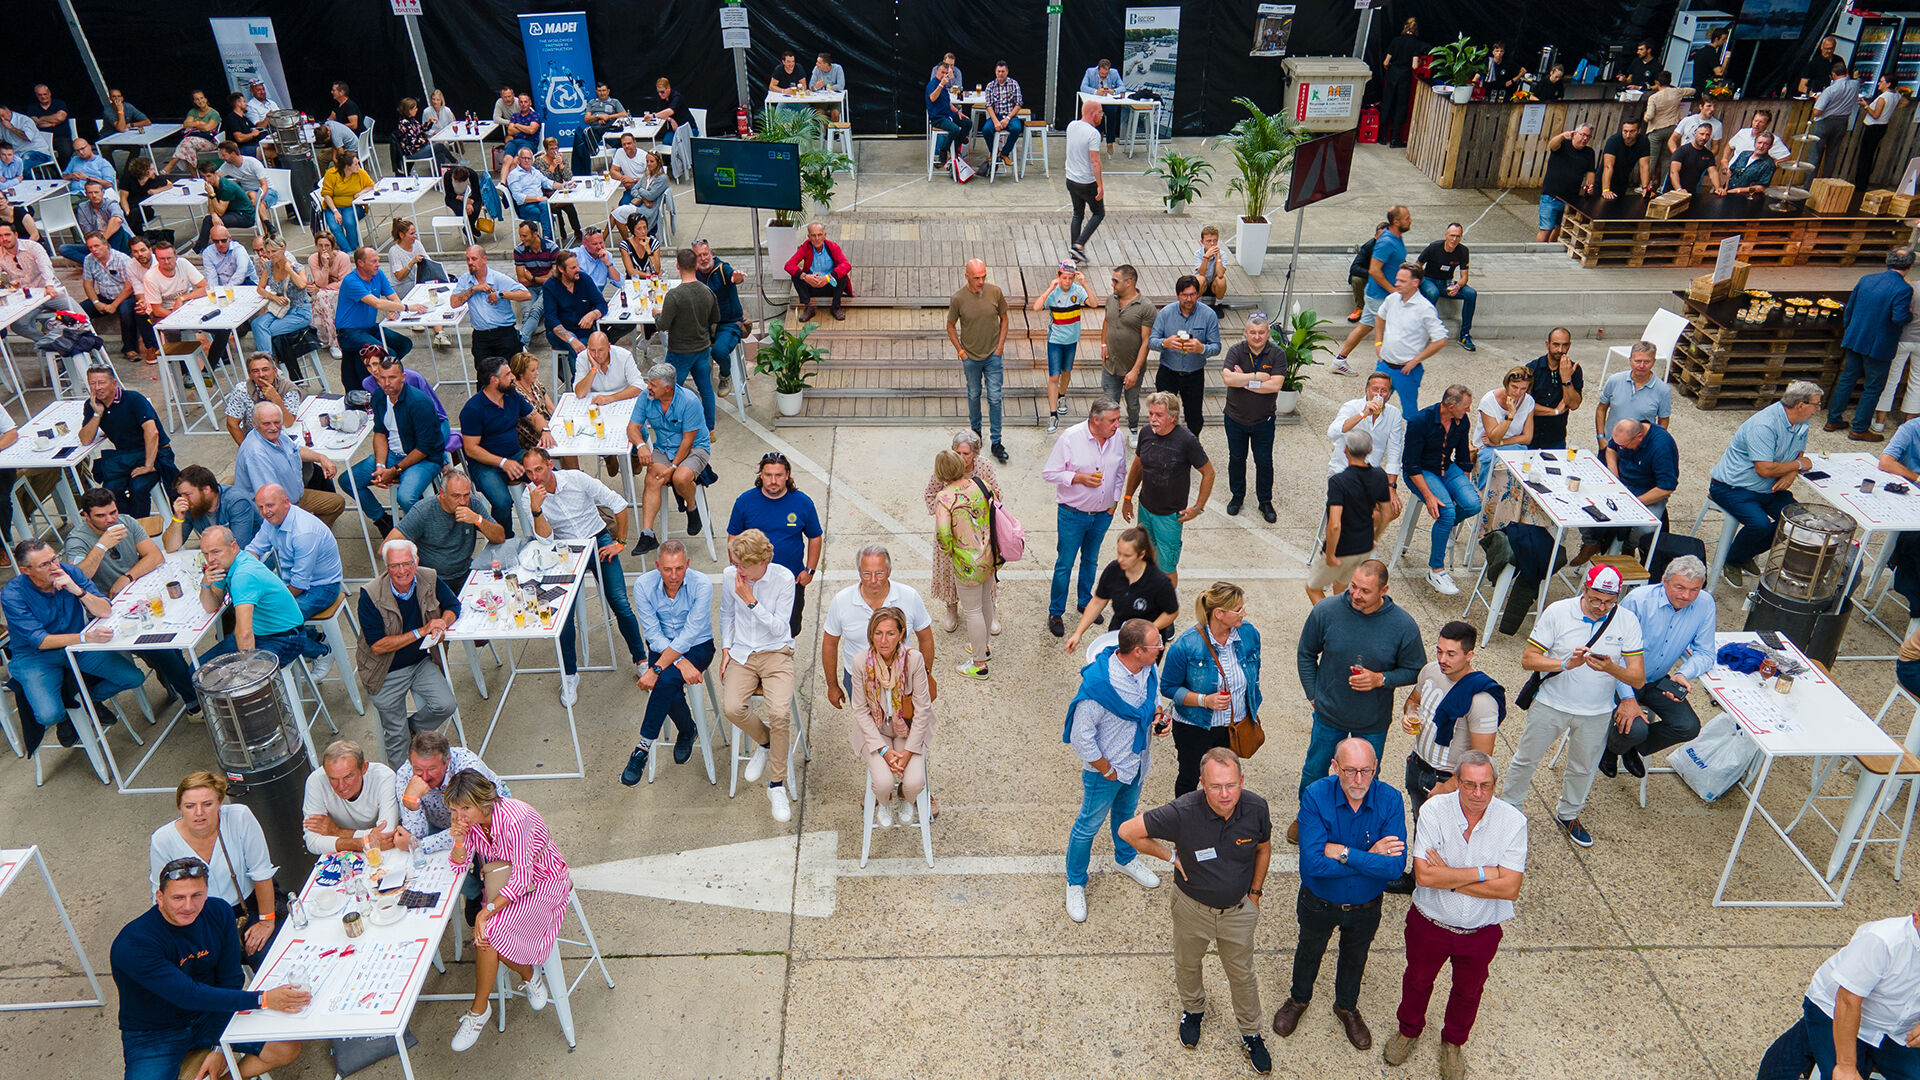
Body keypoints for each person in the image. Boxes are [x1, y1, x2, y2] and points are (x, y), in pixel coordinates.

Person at [1117, 747, 1273, 1073]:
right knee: (1187, 964)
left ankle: (1251, 1032)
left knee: (1243, 975)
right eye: (1216, 786)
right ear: (1202, 783)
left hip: (1238, 913)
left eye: (1231, 785)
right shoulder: (1182, 811)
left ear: (1242, 780)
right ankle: (1193, 1010)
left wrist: (1255, 895)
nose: (1225, 794)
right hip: (1191, 909)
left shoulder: (1256, 808)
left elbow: (1263, 848)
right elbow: (1127, 831)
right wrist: (1170, 857)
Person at [1385, 751, 1527, 1080]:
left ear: (1495, 785)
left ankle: (1453, 1042)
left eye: (1485, 785)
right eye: (1470, 784)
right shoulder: (1434, 810)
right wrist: (1486, 872)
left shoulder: (1513, 822)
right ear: (1457, 782)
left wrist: (1449, 876)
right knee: (1417, 981)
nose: (1478, 793)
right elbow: (1425, 876)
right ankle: (1408, 1030)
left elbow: (1510, 888)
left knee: (1469, 991)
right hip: (1429, 923)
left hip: (1481, 931)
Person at [111, 856, 306, 1080]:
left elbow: (231, 980)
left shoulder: (219, 912)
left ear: (206, 892)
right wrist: (263, 999)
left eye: (196, 895)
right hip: (155, 1033)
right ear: (160, 897)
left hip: (211, 1013)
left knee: (285, 1047)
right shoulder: (133, 944)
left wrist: (220, 1047)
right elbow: (187, 994)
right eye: (178, 898)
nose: (188, 906)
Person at [1499, 564, 1646, 848]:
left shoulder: (1627, 621)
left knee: (1583, 767)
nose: (1601, 607)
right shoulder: (1558, 612)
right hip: (1551, 703)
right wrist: (1564, 663)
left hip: (1597, 711)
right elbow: (1528, 659)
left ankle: (1569, 813)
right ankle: (1509, 809)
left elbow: (1637, 678)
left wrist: (1612, 668)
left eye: (1608, 602)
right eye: (1595, 599)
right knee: (1526, 759)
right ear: (1584, 589)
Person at [1275, 738, 1405, 1052]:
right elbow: (1313, 864)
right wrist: (1371, 857)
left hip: (1366, 906)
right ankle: (1299, 998)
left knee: (1355, 958)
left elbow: (1394, 868)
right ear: (1335, 767)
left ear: (1376, 768)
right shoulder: (1316, 795)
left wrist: (1345, 853)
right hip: (1319, 901)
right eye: (1350, 771)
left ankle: (1346, 1006)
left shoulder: (1390, 799)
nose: (1358, 780)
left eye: (1366, 771)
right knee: (1309, 950)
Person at [445, 771, 573, 1053]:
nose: (459, 816)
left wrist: (486, 911)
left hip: (543, 880)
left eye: (465, 808)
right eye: (454, 810)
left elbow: (523, 878)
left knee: (487, 931)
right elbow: (458, 867)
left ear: (483, 802)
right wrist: (459, 841)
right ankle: (528, 976)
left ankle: (479, 1011)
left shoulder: (515, 818)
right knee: (487, 934)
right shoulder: (471, 823)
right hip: (503, 885)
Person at [1294, 559, 1423, 838]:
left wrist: (1381, 679)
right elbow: (1306, 653)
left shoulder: (1402, 625)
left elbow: (1416, 669)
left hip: (1372, 721)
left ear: (1383, 590)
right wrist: (1313, 695)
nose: (1355, 594)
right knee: (1315, 771)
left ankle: (1359, 827)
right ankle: (1306, 820)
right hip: (1329, 715)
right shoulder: (1326, 611)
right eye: (1353, 586)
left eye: (1365, 590)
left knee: (1365, 778)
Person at [518, 446, 647, 702]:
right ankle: (569, 674)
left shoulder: (576, 478)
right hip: (564, 550)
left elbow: (618, 503)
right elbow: (546, 540)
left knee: (620, 602)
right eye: (529, 472)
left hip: (598, 539)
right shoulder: (528, 497)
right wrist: (536, 510)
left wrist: (620, 542)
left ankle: (642, 660)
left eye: (539, 469)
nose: (535, 477)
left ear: (550, 465)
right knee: (562, 614)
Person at [1063, 618, 1167, 922]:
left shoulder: (1149, 669)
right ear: (1137, 651)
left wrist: (1158, 718)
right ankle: (1075, 881)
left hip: (1137, 764)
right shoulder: (1098, 687)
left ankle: (1125, 858)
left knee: (1126, 815)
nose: (1161, 648)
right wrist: (1106, 769)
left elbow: (1154, 699)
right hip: (1106, 773)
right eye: (1156, 645)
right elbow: (1082, 737)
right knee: (1087, 826)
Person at [1, 538, 146, 749]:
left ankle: (89, 700)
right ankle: (66, 717)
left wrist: (77, 590)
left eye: (54, 559)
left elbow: (105, 610)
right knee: (49, 715)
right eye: (44, 564)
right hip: (35, 656)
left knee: (133, 677)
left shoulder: (70, 572)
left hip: (77, 647)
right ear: (25, 570)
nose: (54, 567)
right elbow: (40, 641)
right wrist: (86, 638)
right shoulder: (13, 594)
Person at [1595, 557, 1715, 782]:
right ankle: (1617, 746)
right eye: (1680, 587)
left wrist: (1683, 674)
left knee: (1688, 727)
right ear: (1664, 581)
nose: (1687, 596)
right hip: (1620, 678)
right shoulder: (1638, 601)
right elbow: (1613, 653)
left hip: (1657, 679)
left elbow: (1706, 652)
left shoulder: (1705, 603)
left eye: (1694, 589)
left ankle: (1622, 746)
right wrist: (1628, 699)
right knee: (1636, 729)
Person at [148, 772, 279, 966]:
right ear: (179, 808)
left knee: (270, 959)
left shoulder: (239, 817)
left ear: (220, 803)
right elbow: (160, 895)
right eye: (190, 806)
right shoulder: (162, 840)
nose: (199, 812)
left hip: (248, 906)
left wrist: (266, 921)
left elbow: (261, 872)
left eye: (207, 804)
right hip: (198, 918)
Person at [353, 538, 460, 768]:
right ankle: (400, 781)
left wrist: (442, 622)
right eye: (394, 566)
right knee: (396, 737)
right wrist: (421, 631)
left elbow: (453, 606)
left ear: (416, 561)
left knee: (446, 705)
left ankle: (412, 728)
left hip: (420, 662)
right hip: (385, 671)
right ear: (386, 567)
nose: (402, 571)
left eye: (407, 563)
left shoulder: (428, 577)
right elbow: (377, 646)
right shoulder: (370, 595)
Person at [720, 529, 801, 821]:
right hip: (742, 652)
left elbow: (780, 628)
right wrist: (726, 649)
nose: (738, 571)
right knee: (732, 708)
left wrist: (751, 601)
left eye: (743, 566)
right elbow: (726, 613)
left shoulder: (784, 578)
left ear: (761, 562)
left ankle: (776, 785)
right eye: (736, 564)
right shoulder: (731, 575)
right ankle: (767, 742)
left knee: (780, 713)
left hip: (776, 652)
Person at [1710, 382, 1823, 586]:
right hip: (1732, 487)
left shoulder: (1802, 422)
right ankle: (1733, 561)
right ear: (1800, 405)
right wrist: (1798, 465)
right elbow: (1764, 469)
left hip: (1767, 488)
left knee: (1797, 521)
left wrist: (1792, 472)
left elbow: (1799, 453)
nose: (1818, 409)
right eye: (1816, 404)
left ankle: (1745, 553)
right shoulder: (1764, 425)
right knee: (1760, 525)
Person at [622, 540, 715, 782]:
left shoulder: (702, 584)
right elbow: (653, 634)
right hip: (661, 645)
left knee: (664, 681)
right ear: (657, 566)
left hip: (698, 645)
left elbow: (691, 633)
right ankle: (687, 729)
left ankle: (643, 747)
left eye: (679, 568)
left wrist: (657, 669)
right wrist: (679, 662)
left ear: (688, 564)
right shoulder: (644, 585)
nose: (674, 576)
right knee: (669, 683)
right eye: (667, 569)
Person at [1158, 581, 1261, 796]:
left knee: (1224, 778)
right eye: (1238, 610)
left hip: (1233, 726)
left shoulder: (1249, 634)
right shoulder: (1186, 645)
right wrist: (1204, 700)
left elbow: (1254, 676)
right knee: (1189, 778)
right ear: (1219, 614)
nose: (1244, 613)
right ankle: (1186, 816)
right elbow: (1168, 687)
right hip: (1195, 727)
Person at [1400, 622, 1504, 824]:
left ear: (1469, 655)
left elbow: (1481, 758)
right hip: (1416, 766)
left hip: (1447, 779)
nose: (1442, 659)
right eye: (1439, 651)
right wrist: (1410, 714)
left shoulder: (1482, 700)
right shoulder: (1430, 671)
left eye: (1451, 654)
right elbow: (1413, 700)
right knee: (1420, 825)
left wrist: (1449, 786)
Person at [849, 605, 939, 825]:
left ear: (901, 634)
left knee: (914, 783)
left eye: (890, 633)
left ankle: (906, 799)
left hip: (907, 729)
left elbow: (923, 708)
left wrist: (908, 752)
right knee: (883, 784)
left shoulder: (914, 660)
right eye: (878, 633)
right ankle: (884, 802)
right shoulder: (861, 662)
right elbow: (860, 710)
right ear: (871, 635)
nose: (883, 640)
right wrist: (883, 750)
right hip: (876, 731)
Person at [1044, 398, 1126, 637]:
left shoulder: (1117, 438)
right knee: (1065, 564)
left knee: (1091, 560)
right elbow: (1049, 473)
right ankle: (1056, 612)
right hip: (1072, 515)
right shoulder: (1070, 438)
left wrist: (1114, 502)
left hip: (1102, 515)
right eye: (1112, 420)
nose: (1117, 425)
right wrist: (1078, 478)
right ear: (1096, 420)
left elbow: (1120, 472)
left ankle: (1085, 602)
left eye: (1118, 420)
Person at [198, 524, 329, 666]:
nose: (210, 559)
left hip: (284, 638)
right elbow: (211, 607)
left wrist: (247, 669)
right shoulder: (223, 565)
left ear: (233, 547)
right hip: (263, 631)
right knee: (199, 669)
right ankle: (318, 644)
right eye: (206, 554)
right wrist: (205, 584)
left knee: (216, 674)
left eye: (216, 552)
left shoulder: (243, 576)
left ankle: (323, 652)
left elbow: (245, 633)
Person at [821, 546, 935, 706]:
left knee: (906, 719)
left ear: (889, 572)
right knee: (864, 720)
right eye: (867, 574)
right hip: (859, 680)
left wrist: (925, 675)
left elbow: (926, 639)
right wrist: (832, 686)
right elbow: (830, 644)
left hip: (902, 676)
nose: (873, 580)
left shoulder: (910, 597)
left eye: (879, 573)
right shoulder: (841, 601)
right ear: (859, 573)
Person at [348, 354, 446, 536]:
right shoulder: (379, 396)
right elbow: (379, 432)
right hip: (393, 454)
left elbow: (424, 448)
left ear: (403, 377)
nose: (387, 383)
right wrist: (380, 465)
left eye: (392, 377)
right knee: (348, 481)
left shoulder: (419, 402)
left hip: (424, 459)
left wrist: (395, 471)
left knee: (406, 497)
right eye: (382, 378)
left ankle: (427, 535)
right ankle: (382, 520)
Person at [727, 452, 823, 637]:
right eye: (768, 475)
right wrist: (736, 568)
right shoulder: (744, 502)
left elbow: (815, 536)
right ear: (761, 475)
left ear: (787, 475)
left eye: (778, 475)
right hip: (753, 580)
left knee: (789, 629)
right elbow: (733, 536)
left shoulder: (803, 503)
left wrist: (809, 571)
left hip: (791, 580)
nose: (773, 481)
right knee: (753, 628)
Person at [1123, 392, 1213, 584]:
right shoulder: (1146, 433)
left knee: (1167, 568)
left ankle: (1167, 602)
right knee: (1145, 559)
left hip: (1170, 517)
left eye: (1159, 415)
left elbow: (1209, 473)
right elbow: (1137, 466)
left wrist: (1198, 508)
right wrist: (1128, 498)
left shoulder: (1187, 441)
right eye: (1151, 414)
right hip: (1145, 510)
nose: (1153, 419)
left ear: (1172, 417)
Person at [1830, 248, 1917, 441]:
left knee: (1846, 380)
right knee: (1873, 387)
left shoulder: (1866, 279)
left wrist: (1849, 331)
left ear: (1888, 261)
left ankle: (1833, 420)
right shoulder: (1903, 289)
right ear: (1909, 267)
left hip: (1855, 338)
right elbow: (1899, 318)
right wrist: (1910, 315)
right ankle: (1859, 428)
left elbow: (1850, 308)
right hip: (1879, 346)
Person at [928, 450, 1001, 680]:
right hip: (989, 554)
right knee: (986, 601)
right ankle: (984, 646)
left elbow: (943, 533)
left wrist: (949, 550)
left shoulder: (944, 497)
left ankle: (979, 664)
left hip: (966, 563)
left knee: (972, 611)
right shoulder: (981, 484)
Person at [1403, 385, 1479, 595]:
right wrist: (1428, 496)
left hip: (1447, 468)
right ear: (1451, 406)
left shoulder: (1462, 420)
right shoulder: (1420, 421)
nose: (1468, 410)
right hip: (1421, 471)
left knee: (1473, 504)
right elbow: (1411, 465)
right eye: (1466, 406)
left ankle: (1445, 526)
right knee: (1447, 512)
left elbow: (1463, 458)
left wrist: (1463, 487)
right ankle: (1436, 570)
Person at [628, 360, 711, 555]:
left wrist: (672, 468)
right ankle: (647, 535)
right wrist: (641, 446)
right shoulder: (645, 397)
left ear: (667, 388)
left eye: (653, 384)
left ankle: (692, 508)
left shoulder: (689, 401)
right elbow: (632, 427)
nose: (648, 387)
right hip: (664, 448)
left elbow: (688, 441)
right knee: (653, 478)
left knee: (680, 478)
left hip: (694, 448)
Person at [924, 431, 1003, 633]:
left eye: (966, 453)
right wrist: (942, 513)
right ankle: (951, 607)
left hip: (980, 533)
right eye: (957, 452)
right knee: (950, 572)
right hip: (953, 534)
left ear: (975, 453)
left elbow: (997, 496)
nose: (961, 457)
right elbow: (930, 494)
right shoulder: (946, 466)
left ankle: (990, 608)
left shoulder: (984, 466)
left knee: (986, 570)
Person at [460, 355, 544, 539]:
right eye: (507, 374)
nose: (513, 377)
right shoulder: (473, 409)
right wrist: (502, 462)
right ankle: (505, 540)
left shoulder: (511, 396)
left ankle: (550, 526)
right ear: (494, 380)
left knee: (546, 476)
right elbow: (471, 449)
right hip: (485, 465)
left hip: (515, 455)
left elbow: (534, 416)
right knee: (502, 502)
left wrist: (545, 430)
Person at [78, 365, 176, 517]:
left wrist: (148, 466)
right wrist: (97, 414)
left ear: (114, 383)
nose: (97, 388)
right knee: (110, 491)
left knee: (138, 487)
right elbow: (85, 439)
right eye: (93, 383)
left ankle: (140, 527)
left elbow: (152, 433)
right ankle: (127, 523)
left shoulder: (133, 399)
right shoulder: (92, 405)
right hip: (126, 456)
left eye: (102, 383)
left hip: (154, 453)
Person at [247, 485, 346, 632]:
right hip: (291, 581)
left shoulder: (304, 533)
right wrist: (245, 571)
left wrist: (275, 600)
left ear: (286, 502)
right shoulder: (272, 520)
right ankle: (311, 637)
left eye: (270, 505)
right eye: (260, 507)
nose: (265, 512)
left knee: (272, 621)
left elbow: (299, 584)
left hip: (322, 587)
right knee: (252, 613)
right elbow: (254, 549)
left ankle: (315, 645)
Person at [1064, 525, 1178, 652]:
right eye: (1119, 553)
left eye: (1127, 556)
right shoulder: (1113, 570)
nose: (1120, 559)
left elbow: (1171, 612)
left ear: (1141, 554)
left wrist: (1147, 631)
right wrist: (1078, 633)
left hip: (1147, 644)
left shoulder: (1159, 582)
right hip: (1118, 634)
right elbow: (1097, 602)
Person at [1311, 430, 1394, 604]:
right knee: (1341, 588)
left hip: (1342, 548)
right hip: (1364, 546)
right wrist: (1375, 537)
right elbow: (1387, 513)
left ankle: (1331, 619)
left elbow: (1334, 525)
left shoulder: (1338, 482)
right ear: (1370, 450)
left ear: (1346, 450)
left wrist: (1330, 554)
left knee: (1313, 589)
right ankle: (1342, 614)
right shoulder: (1380, 475)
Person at [232, 400, 346, 525]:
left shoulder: (277, 435)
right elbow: (270, 499)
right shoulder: (256, 453)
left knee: (336, 503)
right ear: (254, 424)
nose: (273, 427)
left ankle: (313, 530)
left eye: (277, 422)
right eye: (266, 424)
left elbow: (296, 450)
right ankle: (303, 533)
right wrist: (298, 515)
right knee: (330, 508)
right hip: (276, 509)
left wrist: (321, 458)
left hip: (293, 497)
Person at [390, 464, 504, 587]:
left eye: (466, 495)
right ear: (442, 493)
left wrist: (478, 519)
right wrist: (411, 561)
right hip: (433, 579)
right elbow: (387, 546)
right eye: (456, 496)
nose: (462, 501)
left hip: (465, 572)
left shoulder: (472, 504)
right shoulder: (423, 511)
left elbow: (500, 537)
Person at [1332, 205, 1411, 373]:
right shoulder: (1386, 242)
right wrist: (1393, 290)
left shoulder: (1397, 238)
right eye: (1407, 218)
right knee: (1391, 331)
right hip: (1380, 297)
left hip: (1380, 295)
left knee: (1365, 326)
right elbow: (1374, 270)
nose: (1411, 220)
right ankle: (1387, 370)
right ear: (1396, 222)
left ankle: (1339, 361)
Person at [1219, 311, 1282, 520]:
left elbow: (1275, 385)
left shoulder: (1277, 354)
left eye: (1261, 332)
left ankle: (1265, 501)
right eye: (1253, 332)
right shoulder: (1235, 351)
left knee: (1264, 462)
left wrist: (1244, 381)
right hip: (1235, 418)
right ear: (1246, 333)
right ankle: (1237, 497)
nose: (1257, 337)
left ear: (1268, 333)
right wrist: (1257, 377)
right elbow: (1228, 379)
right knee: (1237, 459)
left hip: (1264, 421)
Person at [947, 259, 1011, 460]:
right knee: (974, 394)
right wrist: (961, 352)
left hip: (993, 355)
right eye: (976, 278)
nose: (981, 281)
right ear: (967, 276)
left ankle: (996, 442)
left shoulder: (995, 292)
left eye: (983, 276)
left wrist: (1000, 347)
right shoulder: (958, 298)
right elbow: (950, 326)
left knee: (995, 397)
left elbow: (1005, 318)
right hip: (971, 357)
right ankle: (975, 437)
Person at [335, 244, 424, 388]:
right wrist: (407, 307)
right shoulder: (351, 281)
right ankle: (387, 381)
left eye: (378, 260)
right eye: (374, 261)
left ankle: (379, 374)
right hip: (349, 332)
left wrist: (395, 310)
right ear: (360, 263)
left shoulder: (378, 274)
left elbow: (394, 298)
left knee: (404, 344)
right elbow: (376, 303)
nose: (378, 264)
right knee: (387, 354)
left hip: (369, 327)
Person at [1328, 372, 1407, 521]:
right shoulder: (1351, 406)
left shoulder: (1394, 414)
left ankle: (1364, 533)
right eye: (1375, 389)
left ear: (1389, 394)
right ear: (1366, 390)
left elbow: (1394, 452)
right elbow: (1332, 433)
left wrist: (1391, 487)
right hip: (1342, 471)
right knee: (1363, 511)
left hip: (1370, 477)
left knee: (1392, 510)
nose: (1379, 394)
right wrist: (1363, 414)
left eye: (1384, 391)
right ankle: (1353, 532)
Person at [302, 738, 403, 855]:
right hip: (349, 852)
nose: (341, 786)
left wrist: (337, 831)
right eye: (333, 779)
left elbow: (387, 834)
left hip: (384, 851)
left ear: (364, 767)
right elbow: (312, 842)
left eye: (348, 777)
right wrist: (361, 842)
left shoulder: (383, 776)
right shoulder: (315, 781)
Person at [658, 248, 721, 432]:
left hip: (679, 351)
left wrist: (656, 315)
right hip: (702, 348)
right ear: (696, 266)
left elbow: (663, 325)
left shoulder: (674, 295)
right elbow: (715, 317)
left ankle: (673, 428)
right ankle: (709, 429)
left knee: (670, 391)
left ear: (678, 266)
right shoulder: (707, 291)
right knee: (706, 390)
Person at [1372, 262, 1448, 413]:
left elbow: (1441, 339)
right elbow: (1380, 317)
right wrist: (1378, 343)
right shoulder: (1392, 299)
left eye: (1402, 281)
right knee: (1373, 406)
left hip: (1406, 371)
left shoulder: (1425, 308)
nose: (1396, 284)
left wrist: (1416, 360)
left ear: (1415, 282)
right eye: (1397, 279)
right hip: (1384, 365)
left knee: (1410, 412)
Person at [1152, 275, 1223, 433]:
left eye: (1192, 294)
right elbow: (1152, 341)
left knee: (1194, 418)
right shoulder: (1166, 313)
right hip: (1168, 372)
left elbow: (1216, 346)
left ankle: (1192, 444)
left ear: (1198, 294)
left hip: (1194, 374)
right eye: (1185, 295)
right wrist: (1165, 343)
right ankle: (1164, 444)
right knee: (1163, 414)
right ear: (1178, 295)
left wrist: (1202, 348)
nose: (1189, 299)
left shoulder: (1208, 315)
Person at [1032, 262, 1090, 432]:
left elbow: (1094, 303)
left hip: (1071, 340)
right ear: (1059, 277)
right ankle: (1053, 415)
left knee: (1067, 372)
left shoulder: (1078, 291)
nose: (1067, 281)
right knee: (1053, 377)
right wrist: (1050, 288)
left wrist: (1084, 283)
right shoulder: (1054, 292)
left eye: (1070, 278)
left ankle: (1062, 396)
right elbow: (1036, 307)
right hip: (1055, 340)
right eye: (1064, 278)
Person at [448, 244, 532, 361]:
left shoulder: (498, 278)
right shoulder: (465, 280)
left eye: (474, 259)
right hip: (481, 335)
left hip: (503, 333)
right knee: (483, 369)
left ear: (484, 259)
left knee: (509, 369)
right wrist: (474, 289)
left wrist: (500, 294)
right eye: (468, 259)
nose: (470, 262)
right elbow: (454, 303)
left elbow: (526, 295)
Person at [1103, 263, 1155, 434]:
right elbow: (1107, 321)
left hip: (1132, 368)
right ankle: (1110, 433)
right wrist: (1103, 344)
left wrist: (1135, 370)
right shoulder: (1111, 300)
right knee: (1109, 404)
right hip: (1110, 365)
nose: (1112, 284)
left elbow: (1146, 341)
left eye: (1115, 281)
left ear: (1129, 282)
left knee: (1132, 404)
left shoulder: (1145, 307)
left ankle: (1133, 428)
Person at [163, 464, 261, 552]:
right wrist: (177, 518)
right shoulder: (192, 506)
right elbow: (170, 547)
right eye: (181, 495)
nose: (183, 499)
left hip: (252, 556)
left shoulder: (237, 503)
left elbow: (237, 548)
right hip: (220, 553)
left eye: (187, 494)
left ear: (206, 490)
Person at [1593, 341, 1674, 447]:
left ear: (1654, 362)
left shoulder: (1663, 390)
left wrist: (1655, 445)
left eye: (1647, 362)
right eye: (1638, 361)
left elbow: (1663, 421)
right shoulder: (1614, 380)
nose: (1642, 365)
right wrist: (1600, 437)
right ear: (1630, 360)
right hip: (1611, 444)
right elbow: (1601, 409)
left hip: (1640, 448)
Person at [694, 241, 749, 395]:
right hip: (705, 323)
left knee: (718, 351)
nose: (703, 258)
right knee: (688, 346)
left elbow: (734, 276)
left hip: (729, 323)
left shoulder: (722, 268)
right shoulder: (695, 273)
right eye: (699, 256)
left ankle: (725, 375)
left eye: (705, 254)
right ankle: (703, 379)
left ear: (711, 253)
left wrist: (737, 278)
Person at [77, 230, 144, 356]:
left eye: (96, 246)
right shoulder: (89, 260)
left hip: (126, 296)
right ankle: (84, 347)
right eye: (90, 247)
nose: (94, 250)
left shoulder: (122, 259)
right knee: (78, 312)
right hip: (105, 296)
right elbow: (87, 284)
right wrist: (96, 302)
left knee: (126, 311)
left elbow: (129, 287)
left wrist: (114, 305)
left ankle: (130, 348)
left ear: (105, 245)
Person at [249, 236, 313, 360]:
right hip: (280, 308)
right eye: (268, 252)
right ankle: (270, 362)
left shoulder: (297, 267)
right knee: (256, 323)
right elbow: (260, 288)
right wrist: (273, 297)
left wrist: (290, 270)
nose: (270, 255)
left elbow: (302, 285)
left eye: (274, 251)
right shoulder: (269, 266)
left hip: (299, 312)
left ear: (283, 249)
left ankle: (269, 362)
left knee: (264, 331)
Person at [1471, 366, 1537, 487]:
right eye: (1514, 387)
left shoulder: (1528, 401)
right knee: (1507, 469)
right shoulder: (1489, 401)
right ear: (1507, 384)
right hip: (1486, 447)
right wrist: (1510, 415)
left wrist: (1501, 443)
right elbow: (1494, 437)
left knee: (1530, 468)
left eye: (1523, 389)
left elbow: (1527, 438)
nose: (1518, 392)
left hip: (1509, 445)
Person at [1417, 224, 1476, 351]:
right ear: (1446, 236)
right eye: (1452, 236)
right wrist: (1418, 282)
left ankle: (1464, 335)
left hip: (1446, 283)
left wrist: (1457, 286)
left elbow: (1464, 277)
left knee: (1471, 293)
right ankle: (1421, 332)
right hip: (1429, 280)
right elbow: (1417, 265)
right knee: (1433, 293)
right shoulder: (1434, 247)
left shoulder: (1463, 251)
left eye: (1458, 236)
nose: (1454, 239)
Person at [1527, 327, 1585, 450]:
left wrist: (1566, 379)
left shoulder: (1574, 370)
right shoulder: (1532, 368)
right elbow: (1524, 405)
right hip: (1530, 435)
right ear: (1547, 344)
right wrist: (1554, 411)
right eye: (1556, 345)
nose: (1560, 350)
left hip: (1556, 437)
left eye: (1565, 345)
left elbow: (1574, 404)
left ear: (1569, 345)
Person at [1064, 99, 1106, 263]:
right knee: (1099, 213)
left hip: (1071, 179)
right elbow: (1095, 161)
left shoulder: (1071, 126)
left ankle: (1074, 256)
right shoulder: (1093, 134)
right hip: (1086, 182)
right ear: (1092, 113)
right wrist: (1100, 185)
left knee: (1078, 213)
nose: (1102, 115)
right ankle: (1079, 245)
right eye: (1100, 112)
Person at [785, 221, 851, 321]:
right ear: (809, 237)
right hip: (812, 285)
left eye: (820, 235)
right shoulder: (805, 247)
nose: (817, 239)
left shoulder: (832, 247)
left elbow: (846, 265)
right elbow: (788, 265)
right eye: (813, 235)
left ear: (824, 235)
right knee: (795, 275)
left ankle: (836, 307)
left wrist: (828, 277)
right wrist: (805, 277)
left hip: (830, 285)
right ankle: (808, 307)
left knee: (842, 276)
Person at [1378, 18, 1426, 147]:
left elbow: (1386, 62)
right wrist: (1418, 62)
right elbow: (1414, 66)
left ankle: (1382, 136)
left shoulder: (1396, 40)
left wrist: (1391, 69)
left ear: (1405, 27)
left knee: (1387, 102)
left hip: (1392, 73)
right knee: (1401, 105)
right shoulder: (1416, 44)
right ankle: (1395, 139)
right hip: (1404, 76)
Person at [1809, 62, 1861, 177]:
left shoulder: (1830, 90)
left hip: (1825, 121)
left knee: (1815, 154)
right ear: (1846, 72)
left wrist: (1818, 99)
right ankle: (1826, 181)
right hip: (1843, 121)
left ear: (1833, 75)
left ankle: (1809, 183)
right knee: (1832, 153)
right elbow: (1854, 79)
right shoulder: (1855, 85)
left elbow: (1817, 111)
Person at [307, 230, 352, 359]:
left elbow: (345, 283)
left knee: (320, 297)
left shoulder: (343, 257)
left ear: (332, 246)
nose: (324, 249)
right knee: (321, 299)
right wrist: (325, 265)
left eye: (327, 245)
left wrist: (322, 288)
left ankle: (331, 341)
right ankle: (332, 341)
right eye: (320, 245)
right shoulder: (313, 259)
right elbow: (320, 282)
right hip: (324, 294)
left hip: (342, 291)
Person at [318, 148, 374, 252]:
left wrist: (361, 192)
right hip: (333, 206)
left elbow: (371, 185)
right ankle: (349, 252)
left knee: (349, 222)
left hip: (352, 205)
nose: (358, 166)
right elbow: (326, 194)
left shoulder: (360, 173)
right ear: (348, 167)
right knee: (335, 227)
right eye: (355, 164)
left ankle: (350, 251)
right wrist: (335, 211)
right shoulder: (332, 174)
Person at [59, 182, 127, 266]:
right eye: (90, 193)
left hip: (117, 241)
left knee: (118, 229)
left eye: (96, 192)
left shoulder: (111, 204)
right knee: (64, 248)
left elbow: (117, 220)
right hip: (95, 243)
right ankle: (96, 264)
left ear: (102, 192)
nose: (94, 195)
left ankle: (109, 260)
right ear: (86, 194)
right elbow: (88, 232)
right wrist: (97, 244)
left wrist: (101, 241)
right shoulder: (83, 207)